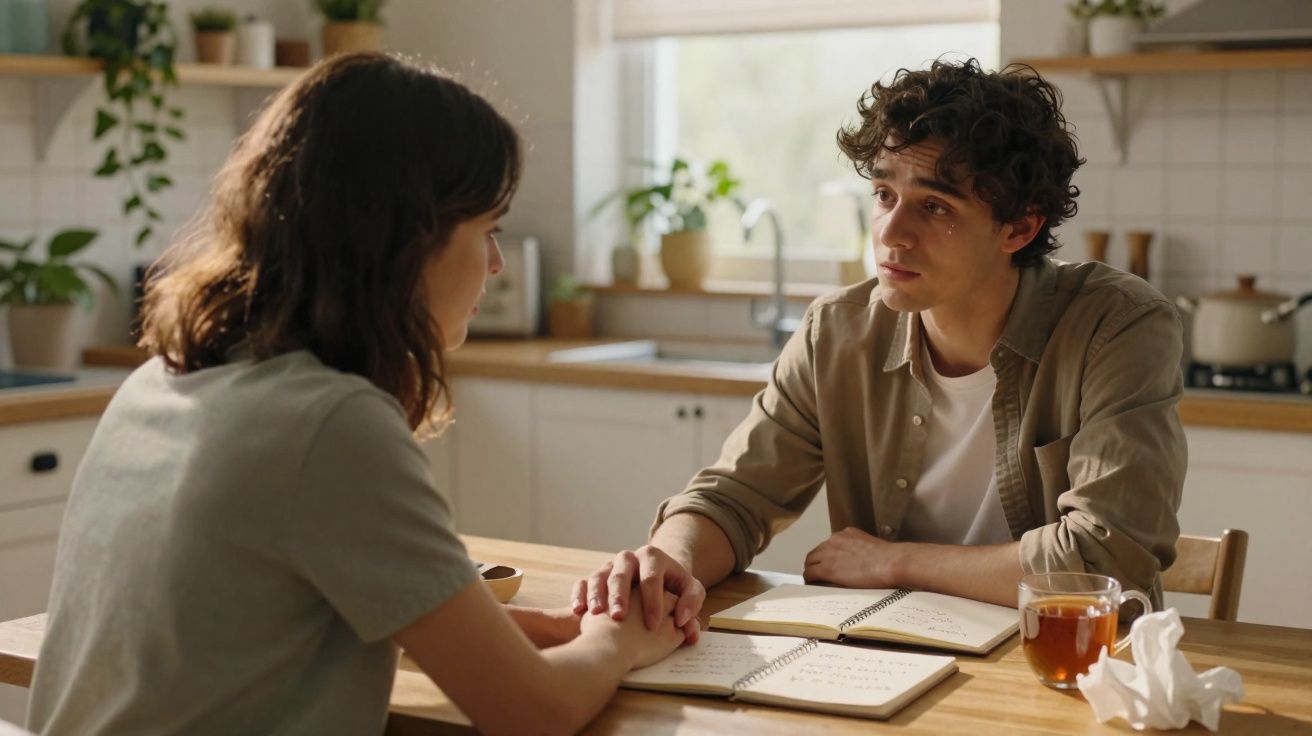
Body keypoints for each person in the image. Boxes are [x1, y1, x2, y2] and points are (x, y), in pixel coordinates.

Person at [28, 52, 683, 736]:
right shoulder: (331, 424)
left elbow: (281, 608)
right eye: (487, 230)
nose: (495, 263)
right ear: (406, 237)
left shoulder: (160, 382)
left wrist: (542, 628)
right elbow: (534, 714)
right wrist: (620, 642)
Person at [577, 57, 1186, 642]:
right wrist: (669, 558)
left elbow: (1103, 560)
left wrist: (897, 563)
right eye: (884, 194)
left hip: (1068, 665)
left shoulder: (1118, 326)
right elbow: (735, 497)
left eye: (935, 206)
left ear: (1019, 228)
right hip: (890, 662)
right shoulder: (836, 332)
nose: (891, 234)